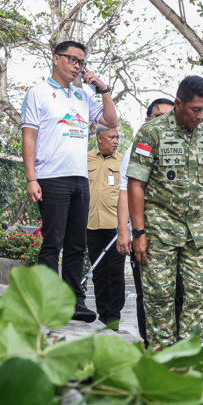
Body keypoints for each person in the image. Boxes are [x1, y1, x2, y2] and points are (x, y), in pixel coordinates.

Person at [21, 40, 118, 322]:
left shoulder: (82, 96)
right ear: (56, 59)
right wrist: (31, 178)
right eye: (72, 60)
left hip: (79, 178)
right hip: (51, 177)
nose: (77, 66)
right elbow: (29, 136)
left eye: (81, 62)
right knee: (53, 242)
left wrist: (104, 90)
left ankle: (74, 301)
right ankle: (49, 301)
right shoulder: (38, 93)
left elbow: (110, 121)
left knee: (77, 244)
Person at [127, 76, 203, 348]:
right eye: (195, 109)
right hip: (160, 229)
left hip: (199, 230)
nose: (201, 116)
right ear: (178, 103)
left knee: (199, 295)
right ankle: (162, 359)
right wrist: (138, 232)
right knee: (159, 297)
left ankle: (189, 359)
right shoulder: (151, 132)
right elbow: (136, 183)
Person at [116, 98, 182, 346]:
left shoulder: (181, 148)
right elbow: (125, 191)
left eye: (170, 116)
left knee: (178, 292)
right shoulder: (138, 150)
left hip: (176, 237)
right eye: (158, 116)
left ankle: (175, 344)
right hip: (144, 236)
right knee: (148, 293)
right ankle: (150, 342)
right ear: (147, 120)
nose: (165, 121)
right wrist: (125, 231)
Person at [86, 125, 126, 326]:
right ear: (100, 138)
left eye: (117, 137)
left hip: (115, 225)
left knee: (115, 272)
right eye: (111, 137)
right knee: (99, 272)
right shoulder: (86, 158)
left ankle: (114, 316)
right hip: (91, 224)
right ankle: (103, 314)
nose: (116, 141)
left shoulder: (122, 161)